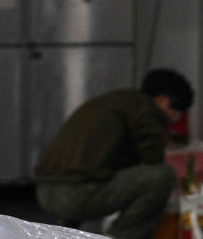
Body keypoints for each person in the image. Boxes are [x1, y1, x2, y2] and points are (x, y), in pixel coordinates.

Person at [34, 69, 193, 239]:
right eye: (174, 112)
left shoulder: (113, 101)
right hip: (75, 195)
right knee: (162, 175)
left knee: (90, 171)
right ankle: (120, 236)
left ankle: (64, 234)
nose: (172, 117)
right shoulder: (146, 108)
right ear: (162, 100)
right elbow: (153, 158)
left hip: (45, 191)